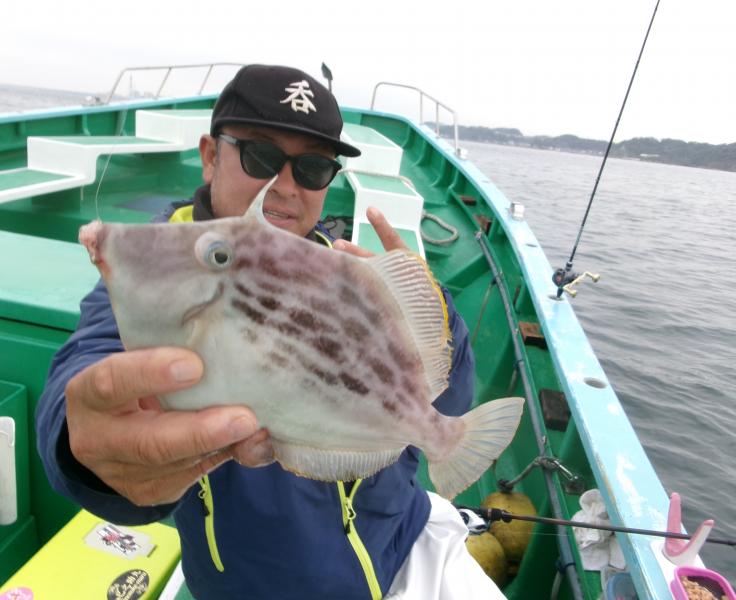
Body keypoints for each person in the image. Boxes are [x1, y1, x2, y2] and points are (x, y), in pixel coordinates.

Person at [37, 64, 504, 599]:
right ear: (211, 155)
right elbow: (91, 367)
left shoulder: (354, 280)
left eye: (312, 168)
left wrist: (431, 309)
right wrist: (85, 450)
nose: (285, 187)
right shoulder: (159, 280)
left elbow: (452, 398)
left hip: (404, 549)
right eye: (260, 156)